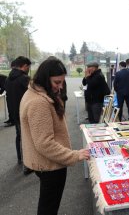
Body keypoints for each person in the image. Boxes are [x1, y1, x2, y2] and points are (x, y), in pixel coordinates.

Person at [20, 57, 90, 215]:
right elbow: (45, 143)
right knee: (48, 207)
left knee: (48, 205)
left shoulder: (36, 92)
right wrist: (74, 155)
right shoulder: (39, 102)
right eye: (56, 82)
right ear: (45, 78)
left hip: (46, 163)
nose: (60, 87)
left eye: (62, 82)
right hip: (50, 165)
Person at [4, 56, 32, 172]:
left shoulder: (8, 78)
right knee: (27, 137)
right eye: (28, 67)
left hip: (14, 112)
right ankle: (28, 165)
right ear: (24, 66)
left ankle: (21, 158)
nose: (28, 69)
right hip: (25, 112)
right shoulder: (24, 78)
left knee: (19, 136)